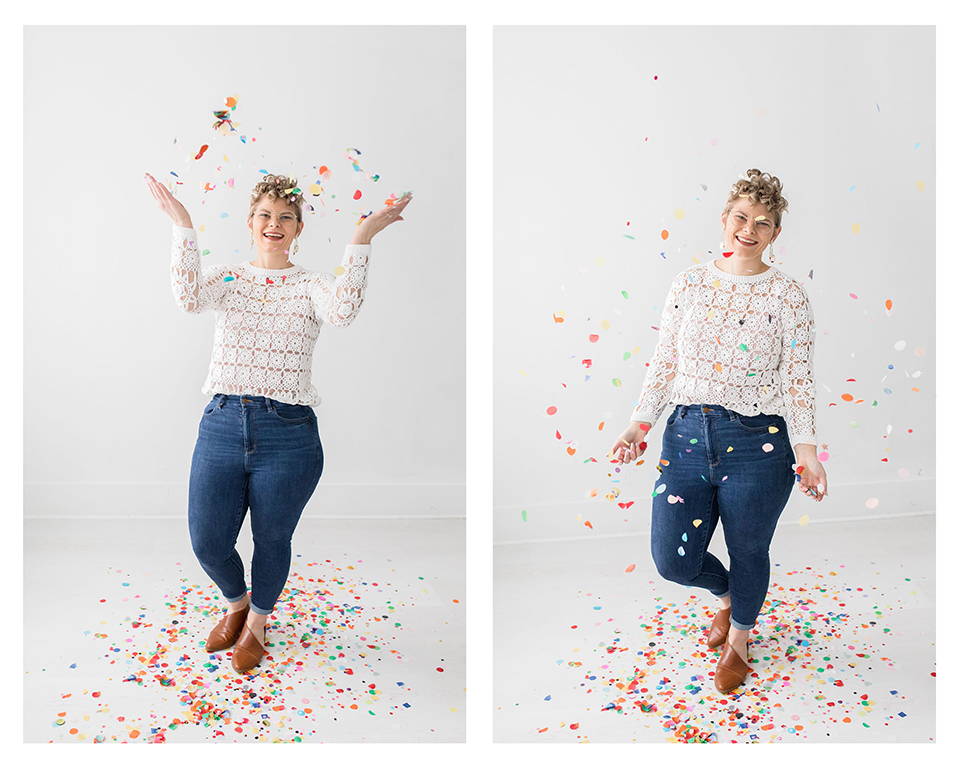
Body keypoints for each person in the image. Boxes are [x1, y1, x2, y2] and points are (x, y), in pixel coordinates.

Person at [145, 171, 412, 672]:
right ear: (250, 223)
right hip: (223, 423)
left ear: (297, 229)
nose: (274, 223)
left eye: (285, 217)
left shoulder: (311, 286)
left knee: (272, 539)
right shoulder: (228, 279)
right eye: (265, 215)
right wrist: (181, 223)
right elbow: (187, 298)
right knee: (207, 540)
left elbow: (345, 312)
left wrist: (361, 238)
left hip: (287, 433)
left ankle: (259, 622)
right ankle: (237, 603)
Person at [609, 169, 825, 694]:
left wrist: (808, 452)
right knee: (672, 560)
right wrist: (639, 424)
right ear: (724, 219)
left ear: (775, 234)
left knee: (749, 548)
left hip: (759, 443)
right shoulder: (689, 283)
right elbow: (665, 360)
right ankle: (730, 600)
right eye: (741, 217)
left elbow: (797, 379)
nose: (749, 229)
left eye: (763, 223)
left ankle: (741, 639)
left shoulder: (788, 296)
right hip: (684, 435)